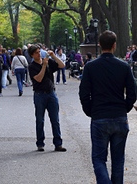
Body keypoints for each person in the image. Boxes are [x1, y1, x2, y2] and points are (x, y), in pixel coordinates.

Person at [79, 30, 136, 184]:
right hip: (119, 115)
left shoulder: (91, 67)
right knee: (118, 160)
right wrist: (125, 108)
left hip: (99, 116)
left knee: (98, 158)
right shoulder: (124, 67)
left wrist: (90, 110)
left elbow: (84, 93)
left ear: (99, 45)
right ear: (114, 45)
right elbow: (132, 92)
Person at [28, 44, 66, 152]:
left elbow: (62, 65)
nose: (39, 54)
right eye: (36, 53)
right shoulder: (32, 67)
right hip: (39, 94)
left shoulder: (48, 62)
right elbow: (38, 79)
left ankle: (58, 143)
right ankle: (40, 143)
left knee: (55, 119)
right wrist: (44, 66)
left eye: (39, 51)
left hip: (51, 93)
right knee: (40, 120)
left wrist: (53, 56)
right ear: (32, 55)